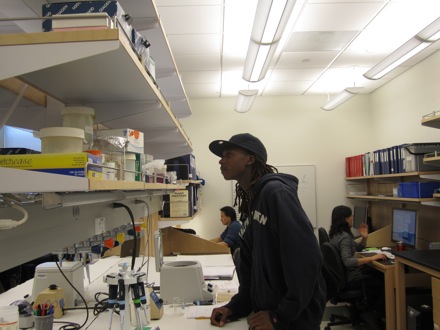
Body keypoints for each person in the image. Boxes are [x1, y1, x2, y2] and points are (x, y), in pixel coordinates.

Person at [208, 133, 326, 330]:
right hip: (270, 313)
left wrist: (280, 316)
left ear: (250, 159)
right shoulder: (251, 202)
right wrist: (234, 307)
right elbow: (251, 271)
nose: (221, 161)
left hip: (292, 320)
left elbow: (307, 260)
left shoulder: (276, 193)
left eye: (228, 154)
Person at [328, 205, 386, 328]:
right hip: (352, 279)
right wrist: (372, 258)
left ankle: (368, 311)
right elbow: (348, 261)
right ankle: (371, 313)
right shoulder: (344, 237)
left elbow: (356, 248)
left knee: (376, 274)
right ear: (345, 219)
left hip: (343, 278)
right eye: (351, 216)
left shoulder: (336, 234)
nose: (352, 218)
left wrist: (364, 238)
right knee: (383, 281)